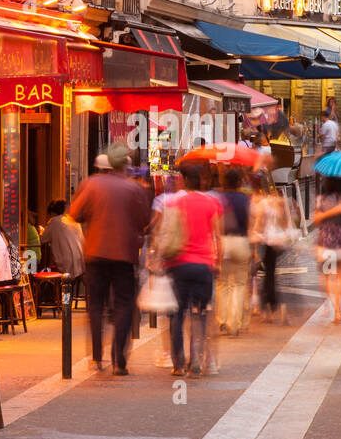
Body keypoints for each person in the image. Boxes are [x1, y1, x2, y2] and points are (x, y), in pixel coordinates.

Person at [68, 142, 152, 374]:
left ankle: (97, 357)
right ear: (125, 163)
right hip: (125, 255)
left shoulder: (91, 185)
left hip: (95, 253)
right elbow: (146, 221)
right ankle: (120, 360)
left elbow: (74, 214)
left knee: (95, 305)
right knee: (124, 305)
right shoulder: (135, 189)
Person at [162, 161, 224, 377]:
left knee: (177, 315)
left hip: (179, 265)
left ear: (184, 181)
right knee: (200, 314)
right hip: (204, 266)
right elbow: (218, 236)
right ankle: (196, 358)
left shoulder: (174, 204)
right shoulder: (211, 203)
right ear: (202, 181)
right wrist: (218, 263)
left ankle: (178, 364)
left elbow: (167, 234)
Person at [215, 168, 252, 336]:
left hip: (223, 241)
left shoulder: (218, 198)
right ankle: (234, 323)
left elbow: (215, 223)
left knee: (222, 283)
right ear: (239, 182)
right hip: (241, 241)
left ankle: (221, 320)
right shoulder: (245, 199)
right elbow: (250, 222)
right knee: (239, 284)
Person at [250, 176, 292, 323]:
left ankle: (268, 305)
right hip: (280, 242)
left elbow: (258, 225)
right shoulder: (280, 202)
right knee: (271, 273)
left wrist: (254, 235)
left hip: (267, 242)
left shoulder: (262, 204)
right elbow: (287, 223)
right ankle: (272, 305)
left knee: (266, 274)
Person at [312, 175, 341, 324]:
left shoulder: (321, 199)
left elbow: (316, 221)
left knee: (329, 277)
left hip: (326, 241)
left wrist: (324, 214)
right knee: (340, 277)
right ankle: (338, 310)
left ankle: (335, 309)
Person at [39, 199, 85, 279]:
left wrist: (41, 231)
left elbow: (42, 239)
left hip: (65, 265)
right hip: (80, 264)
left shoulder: (54, 221)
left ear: (52, 213)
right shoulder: (73, 221)